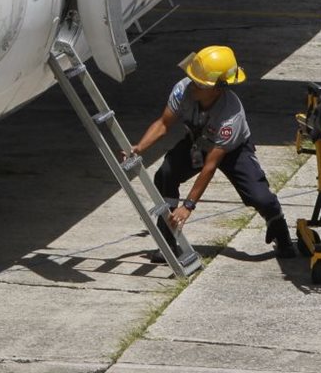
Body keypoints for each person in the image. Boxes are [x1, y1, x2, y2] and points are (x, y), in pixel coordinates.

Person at [123, 45, 295, 263]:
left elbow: (210, 166)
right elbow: (163, 124)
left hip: (232, 151)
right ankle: (168, 242)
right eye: (193, 79)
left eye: (200, 83)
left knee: (261, 198)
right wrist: (139, 147)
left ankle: (280, 230)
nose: (193, 85)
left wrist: (188, 206)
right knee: (166, 174)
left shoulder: (230, 115)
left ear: (218, 88)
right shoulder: (183, 89)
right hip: (198, 143)